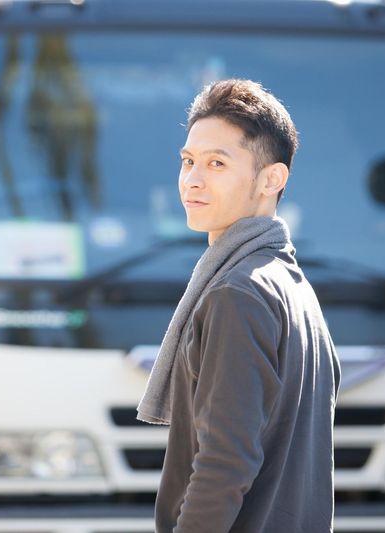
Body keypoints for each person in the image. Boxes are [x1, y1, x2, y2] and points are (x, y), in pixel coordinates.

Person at [136, 79, 341, 532]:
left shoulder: (237, 294)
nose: (192, 179)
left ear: (272, 179)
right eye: (188, 161)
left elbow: (224, 464)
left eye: (217, 163)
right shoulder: (292, 286)